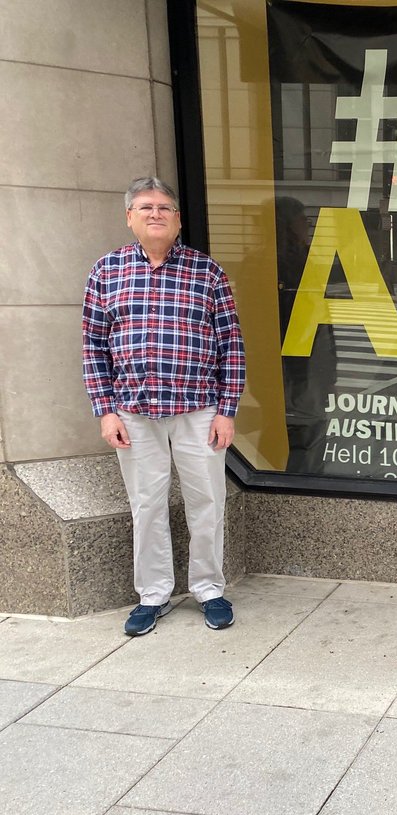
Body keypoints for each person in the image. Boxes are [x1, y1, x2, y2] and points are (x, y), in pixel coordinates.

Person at [82, 177, 246, 636]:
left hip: (199, 409)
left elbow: (231, 344)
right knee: (147, 504)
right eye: (145, 207)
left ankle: (208, 589)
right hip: (132, 412)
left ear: (178, 220)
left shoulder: (206, 272)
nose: (155, 214)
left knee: (207, 500)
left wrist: (227, 409)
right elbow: (93, 346)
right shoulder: (106, 271)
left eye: (164, 208)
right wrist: (105, 410)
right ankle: (152, 595)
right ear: (129, 217)